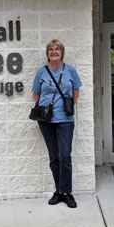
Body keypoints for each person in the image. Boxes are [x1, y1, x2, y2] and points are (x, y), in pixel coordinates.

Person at [32, 39, 82, 208]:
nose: (54, 52)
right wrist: (47, 108)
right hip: (46, 121)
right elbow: (36, 94)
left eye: (57, 49)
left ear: (62, 52)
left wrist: (66, 107)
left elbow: (76, 92)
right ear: (48, 53)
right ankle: (58, 191)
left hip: (65, 121)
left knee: (65, 156)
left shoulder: (70, 71)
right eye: (51, 49)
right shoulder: (42, 72)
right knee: (54, 157)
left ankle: (67, 192)